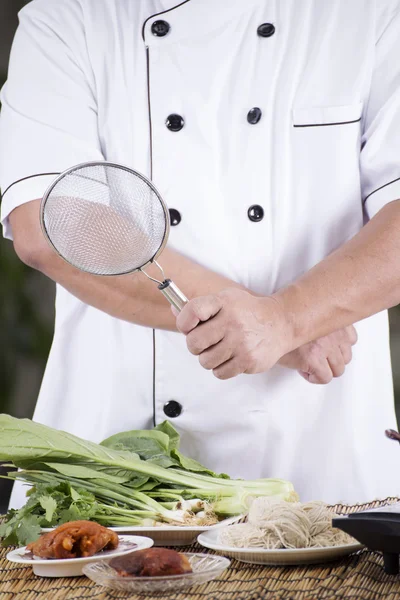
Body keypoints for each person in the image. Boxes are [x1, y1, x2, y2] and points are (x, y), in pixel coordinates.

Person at [1, 0, 399, 508]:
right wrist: (280, 327)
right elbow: (49, 220)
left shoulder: (370, 12)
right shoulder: (71, 16)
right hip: (119, 469)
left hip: (321, 450)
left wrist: (289, 319)